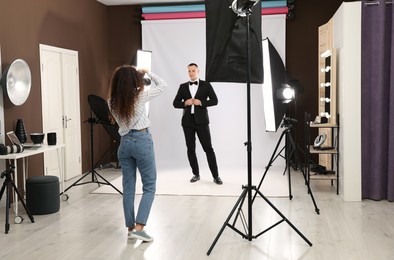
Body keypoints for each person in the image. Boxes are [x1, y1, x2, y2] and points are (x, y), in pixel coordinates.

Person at [108, 65, 167, 242]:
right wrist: (147, 71)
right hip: (141, 141)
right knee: (149, 186)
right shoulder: (139, 96)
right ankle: (140, 228)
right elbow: (163, 85)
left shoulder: (111, 101)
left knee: (128, 188)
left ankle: (130, 227)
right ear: (132, 81)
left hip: (124, 144)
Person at [173, 63, 223, 185]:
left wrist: (201, 102)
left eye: (193, 71)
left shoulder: (206, 85)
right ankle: (196, 174)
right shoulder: (183, 86)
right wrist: (185, 103)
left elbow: (215, 100)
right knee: (191, 149)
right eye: (189, 71)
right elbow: (175, 103)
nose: (191, 73)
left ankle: (216, 176)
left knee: (208, 149)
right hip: (187, 122)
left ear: (198, 71)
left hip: (202, 122)